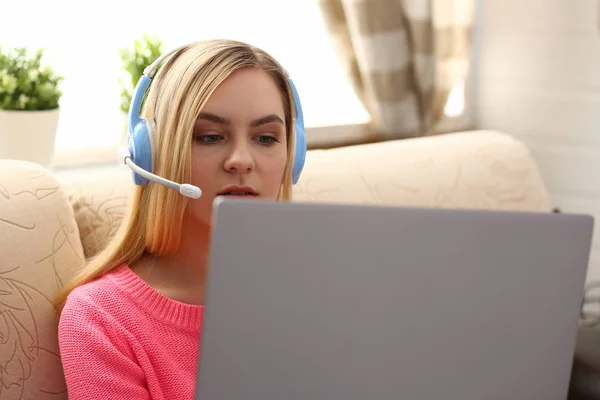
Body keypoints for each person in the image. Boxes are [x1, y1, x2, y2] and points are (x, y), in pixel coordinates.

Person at [53, 39, 305, 400]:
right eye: (209, 137)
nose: (241, 160)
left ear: (291, 158)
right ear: (154, 155)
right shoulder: (102, 318)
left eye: (266, 138)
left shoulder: (319, 290)